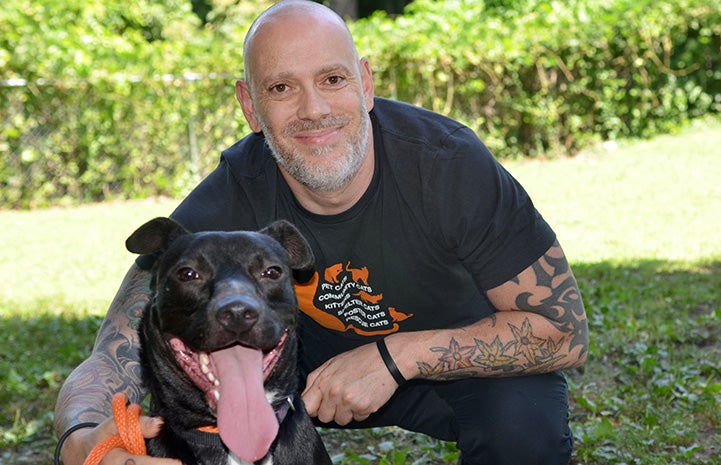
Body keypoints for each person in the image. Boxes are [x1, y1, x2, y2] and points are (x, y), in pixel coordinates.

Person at [54, 1, 589, 464]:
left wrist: (396, 357)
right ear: (251, 107)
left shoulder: (448, 167)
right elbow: (115, 354)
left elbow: (565, 333)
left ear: (366, 83)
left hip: (454, 359)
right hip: (294, 371)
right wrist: (83, 442)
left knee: (526, 436)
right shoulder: (226, 202)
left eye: (332, 80)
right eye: (282, 88)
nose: (314, 110)